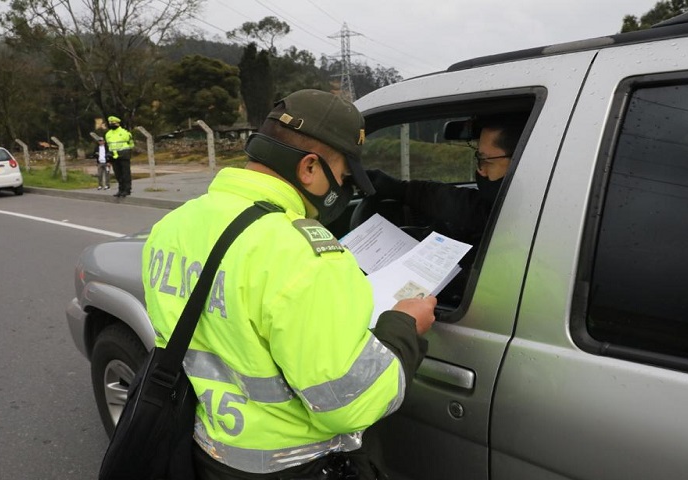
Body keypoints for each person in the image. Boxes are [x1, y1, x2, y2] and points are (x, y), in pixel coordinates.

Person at [142, 89, 437, 480]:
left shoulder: (172, 227)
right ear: (310, 168)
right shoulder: (305, 255)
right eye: (344, 176)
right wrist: (404, 327)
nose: (345, 189)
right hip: (297, 465)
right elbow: (352, 403)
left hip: (209, 453)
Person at [366, 114, 526, 302]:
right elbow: (463, 204)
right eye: (477, 158)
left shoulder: (522, 224)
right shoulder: (507, 206)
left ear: (520, 162)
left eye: (486, 160)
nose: (480, 170)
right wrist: (400, 189)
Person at [103, 115, 134, 197]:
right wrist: (108, 156)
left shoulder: (125, 133)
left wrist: (128, 152)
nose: (112, 124)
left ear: (118, 123)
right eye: (110, 123)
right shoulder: (108, 134)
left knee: (126, 173)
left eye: (113, 123)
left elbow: (131, 144)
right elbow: (108, 146)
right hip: (114, 156)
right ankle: (120, 190)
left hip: (124, 155)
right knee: (118, 174)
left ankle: (127, 190)